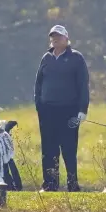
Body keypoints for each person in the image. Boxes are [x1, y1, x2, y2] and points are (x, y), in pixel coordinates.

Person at [34, 25, 90, 192]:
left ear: (66, 38)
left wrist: (82, 110)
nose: (55, 39)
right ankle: (50, 184)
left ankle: (72, 184)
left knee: (68, 148)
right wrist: (39, 104)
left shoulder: (76, 58)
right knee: (49, 149)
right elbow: (38, 83)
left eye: (58, 36)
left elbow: (83, 85)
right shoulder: (46, 58)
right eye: (53, 36)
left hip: (69, 111)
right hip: (47, 111)